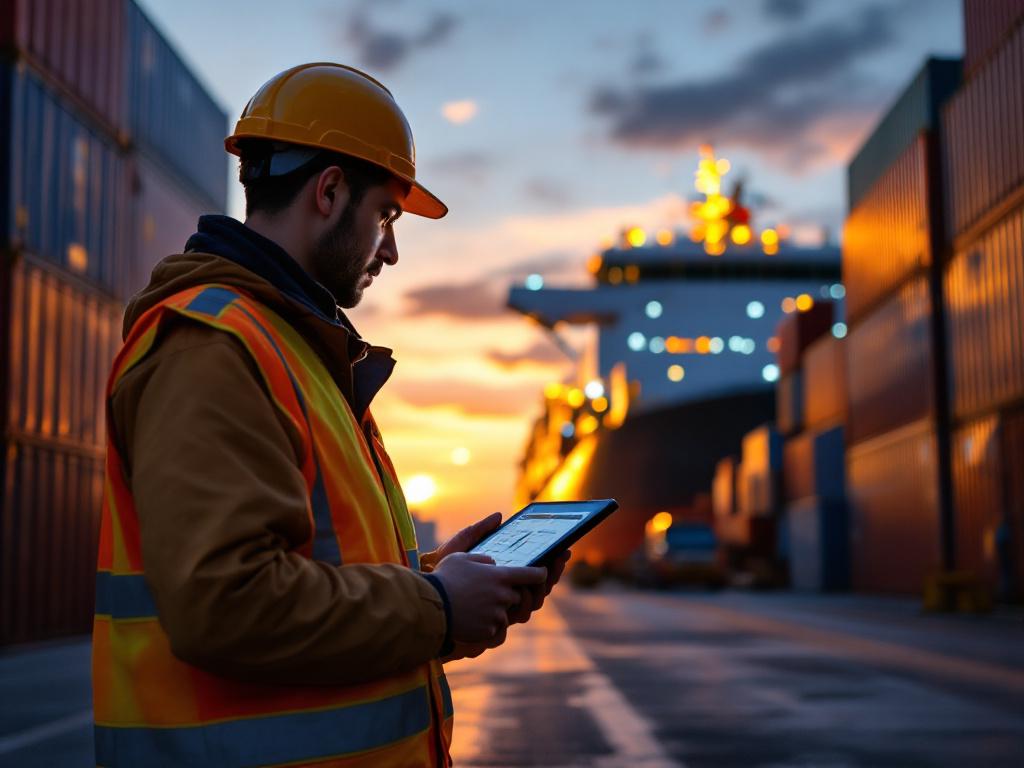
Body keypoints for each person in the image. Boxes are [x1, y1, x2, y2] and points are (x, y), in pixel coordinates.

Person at [92, 63, 568, 768]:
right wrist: (436, 605)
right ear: (330, 191)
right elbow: (226, 603)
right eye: (386, 215)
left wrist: (447, 578)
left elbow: (317, 566)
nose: (392, 249)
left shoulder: (296, 349)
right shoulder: (214, 347)